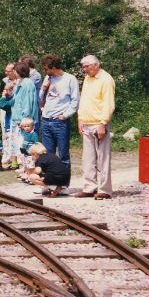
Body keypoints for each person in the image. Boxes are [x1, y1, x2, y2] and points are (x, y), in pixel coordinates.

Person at [76, 55, 115, 199]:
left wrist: (103, 123)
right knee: (88, 158)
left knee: (103, 158)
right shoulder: (88, 78)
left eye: (87, 66)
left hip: (99, 123)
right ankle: (89, 187)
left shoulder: (106, 79)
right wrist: (80, 118)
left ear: (96, 65)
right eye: (83, 67)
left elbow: (108, 103)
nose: (84, 69)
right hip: (86, 122)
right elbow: (84, 99)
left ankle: (105, 189)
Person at [39, 54, 79, 168]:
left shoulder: (70, 79)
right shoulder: (48, 78)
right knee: (48, 155)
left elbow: (75, 101)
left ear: (54, 68)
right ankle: (51, 183)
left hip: (60, 122)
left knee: (63, 155)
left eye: (46, 69)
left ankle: (63, 184)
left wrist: (65, 115)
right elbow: (40, 98)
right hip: (46, 120)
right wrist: (44, 88)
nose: (45, 71)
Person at [0, 61, 39, 171]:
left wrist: (25, 120)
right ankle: (24, 167)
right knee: (18, 144)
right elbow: (16, 102)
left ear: (19, 71)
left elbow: (28, 102)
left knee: (25, 144)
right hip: (17, 119)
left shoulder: (27, 83)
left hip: (23, 121)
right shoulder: (20, 83)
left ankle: (27, 168)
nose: (13, 72)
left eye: (15, 70)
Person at [0, 63, 18, 169]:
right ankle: (8, 159)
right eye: (5, 70)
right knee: (6, 134)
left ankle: (16, 160)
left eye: (8, 71)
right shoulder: (5, 81)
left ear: (14, 71)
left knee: (15, 136)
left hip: (14, 111)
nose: (6, 73)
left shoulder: (20, 82)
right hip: (7, 110)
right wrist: (4, 96)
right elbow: (2, 100)